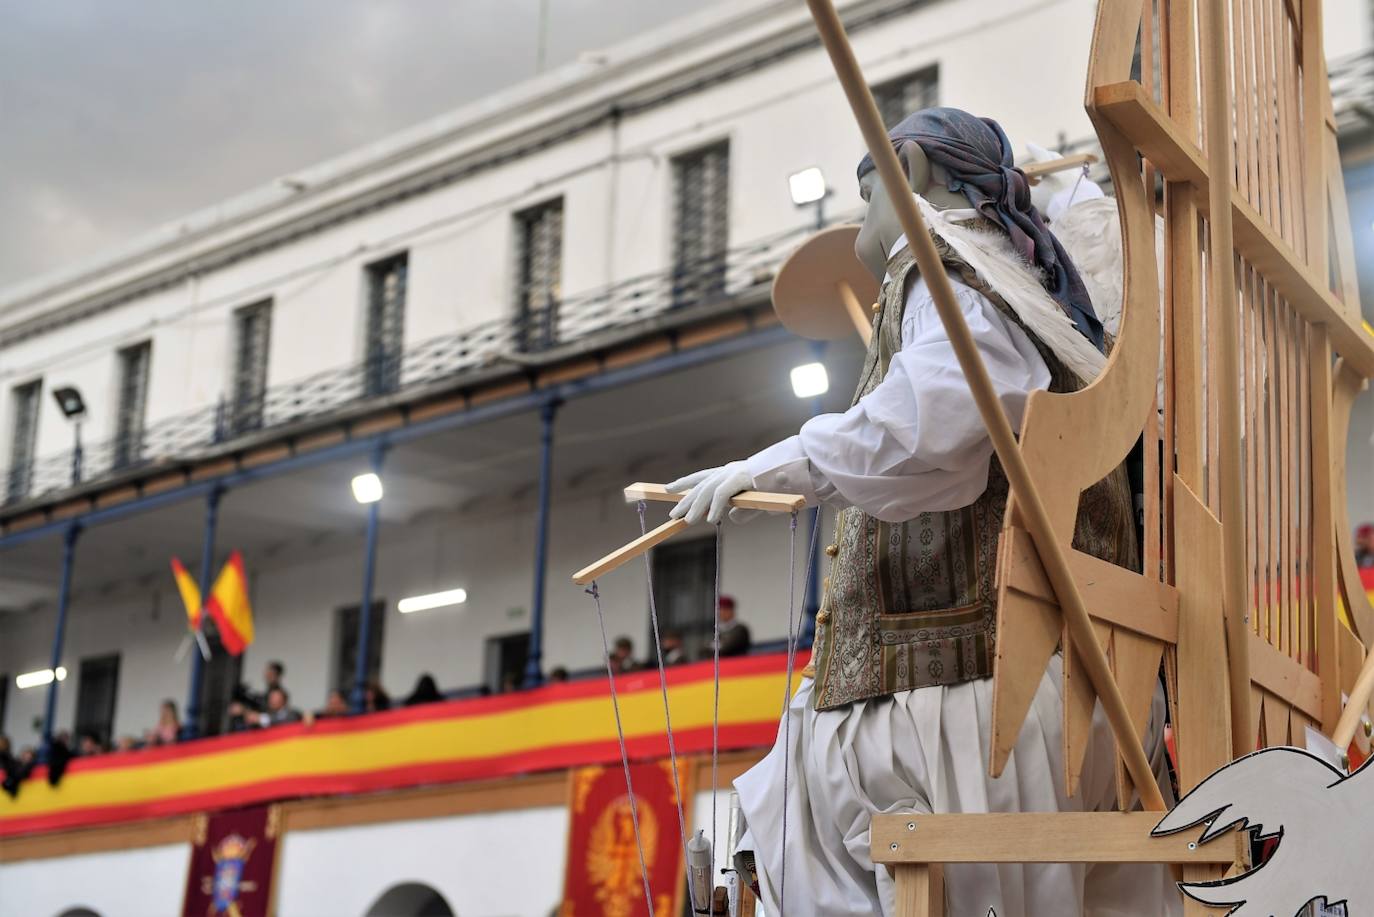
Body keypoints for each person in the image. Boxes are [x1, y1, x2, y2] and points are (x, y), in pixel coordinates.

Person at [667, 108, 1173, 916]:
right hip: (1048, 690)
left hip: (979, 700)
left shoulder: (946, 267)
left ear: (913, 172)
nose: (859, 210)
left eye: (869, 186)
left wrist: (783, 464)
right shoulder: (1027, 289)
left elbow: (935, 415)